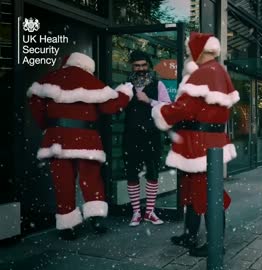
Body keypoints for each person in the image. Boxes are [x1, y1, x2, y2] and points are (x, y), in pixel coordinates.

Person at [27, 52, 133, 240]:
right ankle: (96, 219)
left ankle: (68, 226)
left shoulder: (50, 78)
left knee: (63, 183)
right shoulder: (91, 81)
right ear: (87, 67)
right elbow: (110, 107)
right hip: (87, 139)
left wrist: (48, 127)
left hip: (57, 138)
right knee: (91, 180)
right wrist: (125, 92)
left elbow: (36, 106)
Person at [151, 32, 239, 257]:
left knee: (206, 194)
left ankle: (215, 244)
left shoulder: (204, 73)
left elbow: (185, 108)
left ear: (199, 52)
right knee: (194, 191)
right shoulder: (218, 71)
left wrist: (161, 111)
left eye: (190, 53)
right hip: (206, 141)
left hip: (199, 144)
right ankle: (190, 235)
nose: (190, 57)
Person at [124, 50, 171, 227]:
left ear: (149, 66)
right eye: (137, 66)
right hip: (131, 135)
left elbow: (167, 107)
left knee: (152, 173)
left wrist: (149, 100)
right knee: (131, 173)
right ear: (132, 67)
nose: (141, 69)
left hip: (152, 135)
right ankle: (136, 212)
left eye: (144, 65)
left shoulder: (158, 85)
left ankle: (150, 211)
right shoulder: (126, 85)